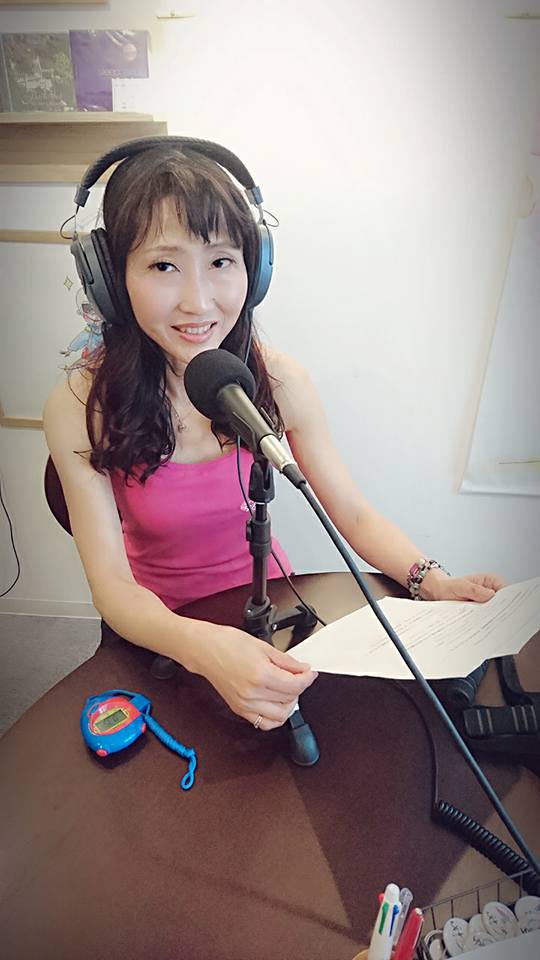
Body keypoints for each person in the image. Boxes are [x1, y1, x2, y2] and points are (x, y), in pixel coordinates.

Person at [44, 139, 505, 733]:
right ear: (111, 277)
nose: (198, 301)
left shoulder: (279, 381)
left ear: (255, 269)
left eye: (221, 261)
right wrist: (204, 649)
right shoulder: (81, 406)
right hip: (159, 631)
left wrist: (433, 581)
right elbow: (111, 586)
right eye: (163, 266)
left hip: (273, 608)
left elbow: (353, 514)